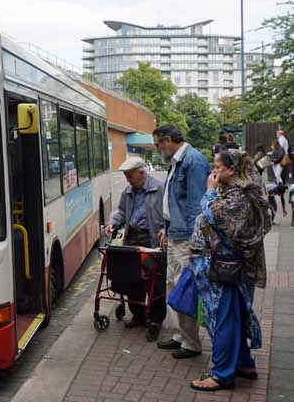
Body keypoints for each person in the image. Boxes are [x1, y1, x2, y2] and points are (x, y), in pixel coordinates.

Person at [185, 149, 270, 391]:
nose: (214, 172)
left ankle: (222, 374)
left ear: (232, 170)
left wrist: (209, 192)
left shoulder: (238, 197)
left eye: (218, 168)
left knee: (222, 319)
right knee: (236, 315)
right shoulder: (237, 192)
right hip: (229, 267)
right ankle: (244, 363)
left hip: (225, 268)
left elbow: (215, 216)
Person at [153, 124, 210, 359]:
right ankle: (179, 335)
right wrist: (167, 229)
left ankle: (191, 342)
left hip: (187, 237)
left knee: (184, 287)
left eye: (157, 144)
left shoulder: (193, 161)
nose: (157, 149)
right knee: (173, 286)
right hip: (176, 233)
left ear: (167, 140)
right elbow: (173, 202)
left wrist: (195, 242)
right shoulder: (177, 162)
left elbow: (198, 206)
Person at [105, 157, 166, 328]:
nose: (128, 180)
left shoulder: (159, 188)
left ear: (141, 173)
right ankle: (138, 315)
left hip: (151, 237)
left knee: (155, 279)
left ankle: (155, 318)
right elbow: (122, 212)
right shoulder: (128, 191)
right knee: (132, 278)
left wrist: (166, 229)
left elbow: (169, 213)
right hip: (132, 236)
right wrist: (112, 223)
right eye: (126, 176)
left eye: (130, 176)